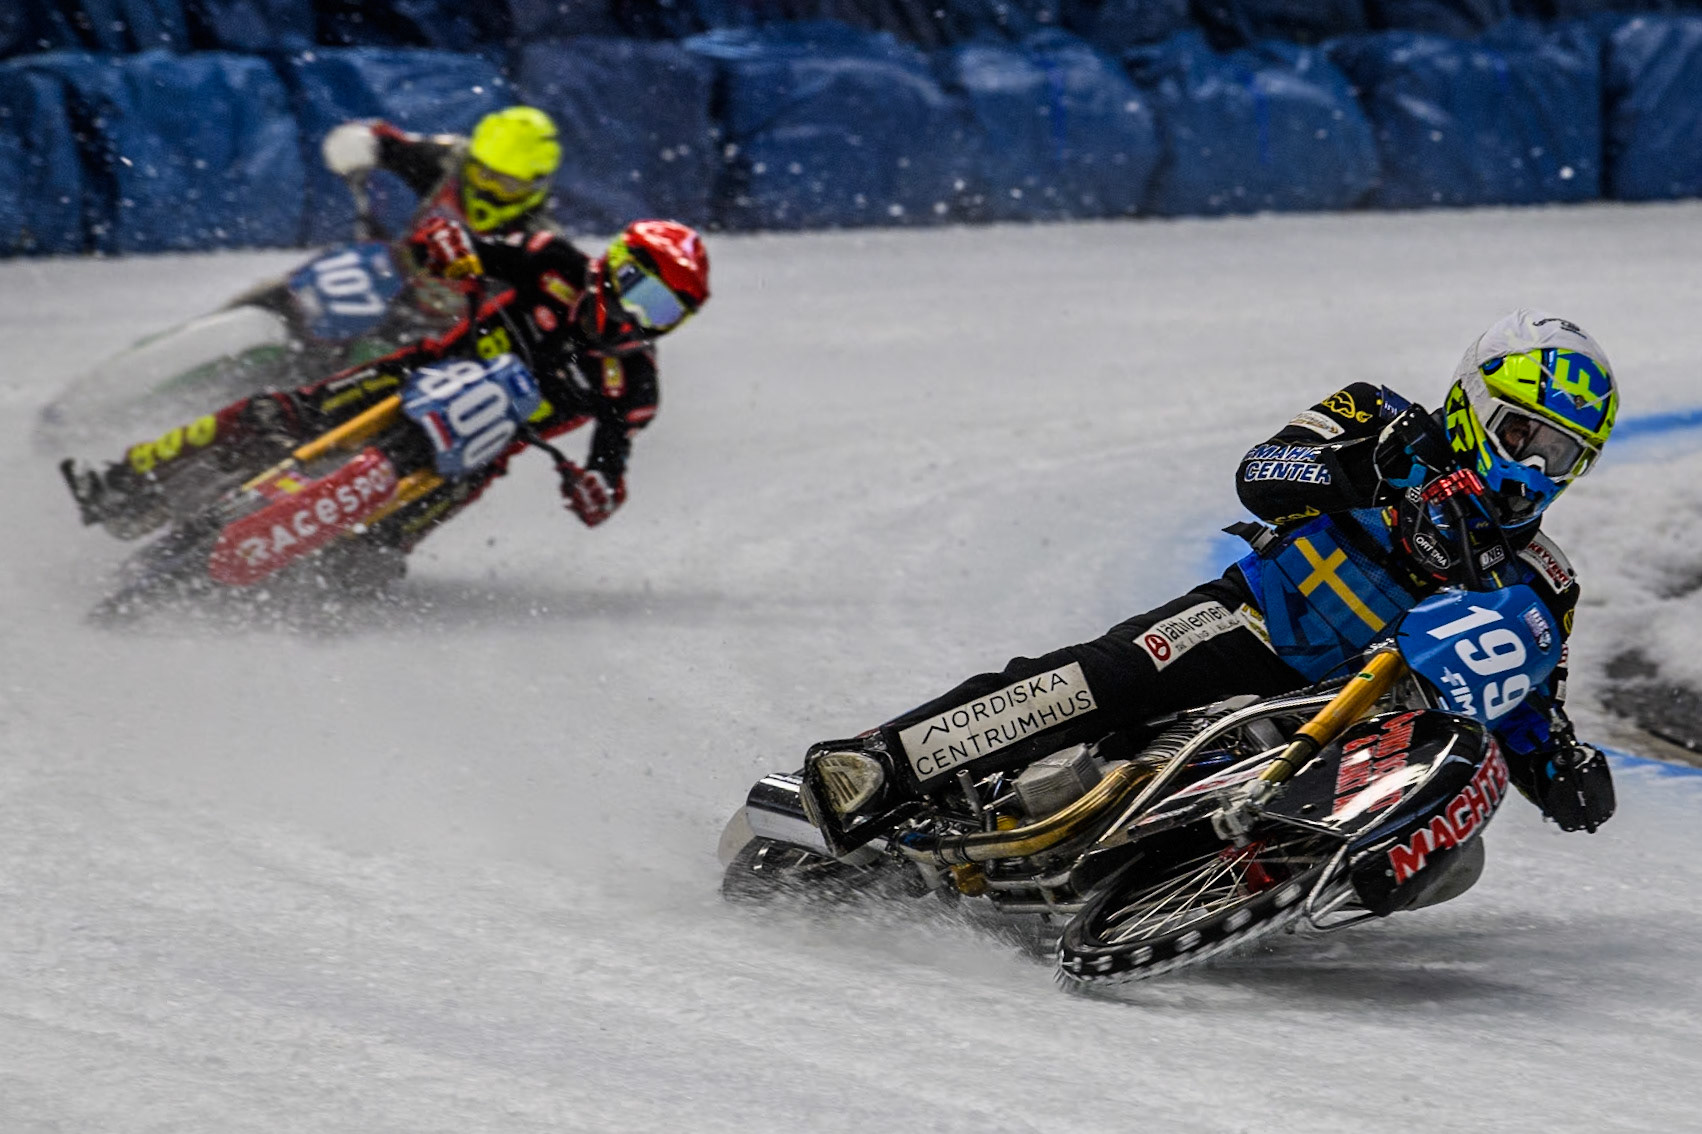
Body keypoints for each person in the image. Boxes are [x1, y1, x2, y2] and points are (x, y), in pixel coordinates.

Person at [804, 309, 1619, 841]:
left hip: (1355, 719)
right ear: (1474, 403)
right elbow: (1263, 471)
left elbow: (1518, 693)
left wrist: (1559, 766)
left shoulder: (1542, 580)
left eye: (1561, 456)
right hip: (1255, 623)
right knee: (1104, 676)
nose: (1534, 470)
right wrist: (1374, 473)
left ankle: (1241, 878)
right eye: (1523, 436)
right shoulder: (1378, 414)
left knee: (1451, 814)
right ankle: (880, 763)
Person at [61, 216, 710, 576]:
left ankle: (303, 594)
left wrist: (593, 491)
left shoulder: (635, 387)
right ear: (610, 265)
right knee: (272, 415)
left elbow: (609, 471)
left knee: (370, 563)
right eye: (635, 286)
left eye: (660, 310)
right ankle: (130, 480)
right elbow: (449, 245)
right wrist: (449, 247)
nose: (634, 314)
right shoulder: (551, 262)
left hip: (475, 455)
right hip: (413, 375)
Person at [320, 105, 564, 237]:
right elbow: (388, 140)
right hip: (394, 289)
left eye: (508, 185)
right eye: (484, 175)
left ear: (536, 188)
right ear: (471, 160)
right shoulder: (449, 161)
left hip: (460, 326)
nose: (487, 191)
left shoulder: (541, 243)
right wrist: (359, 142)